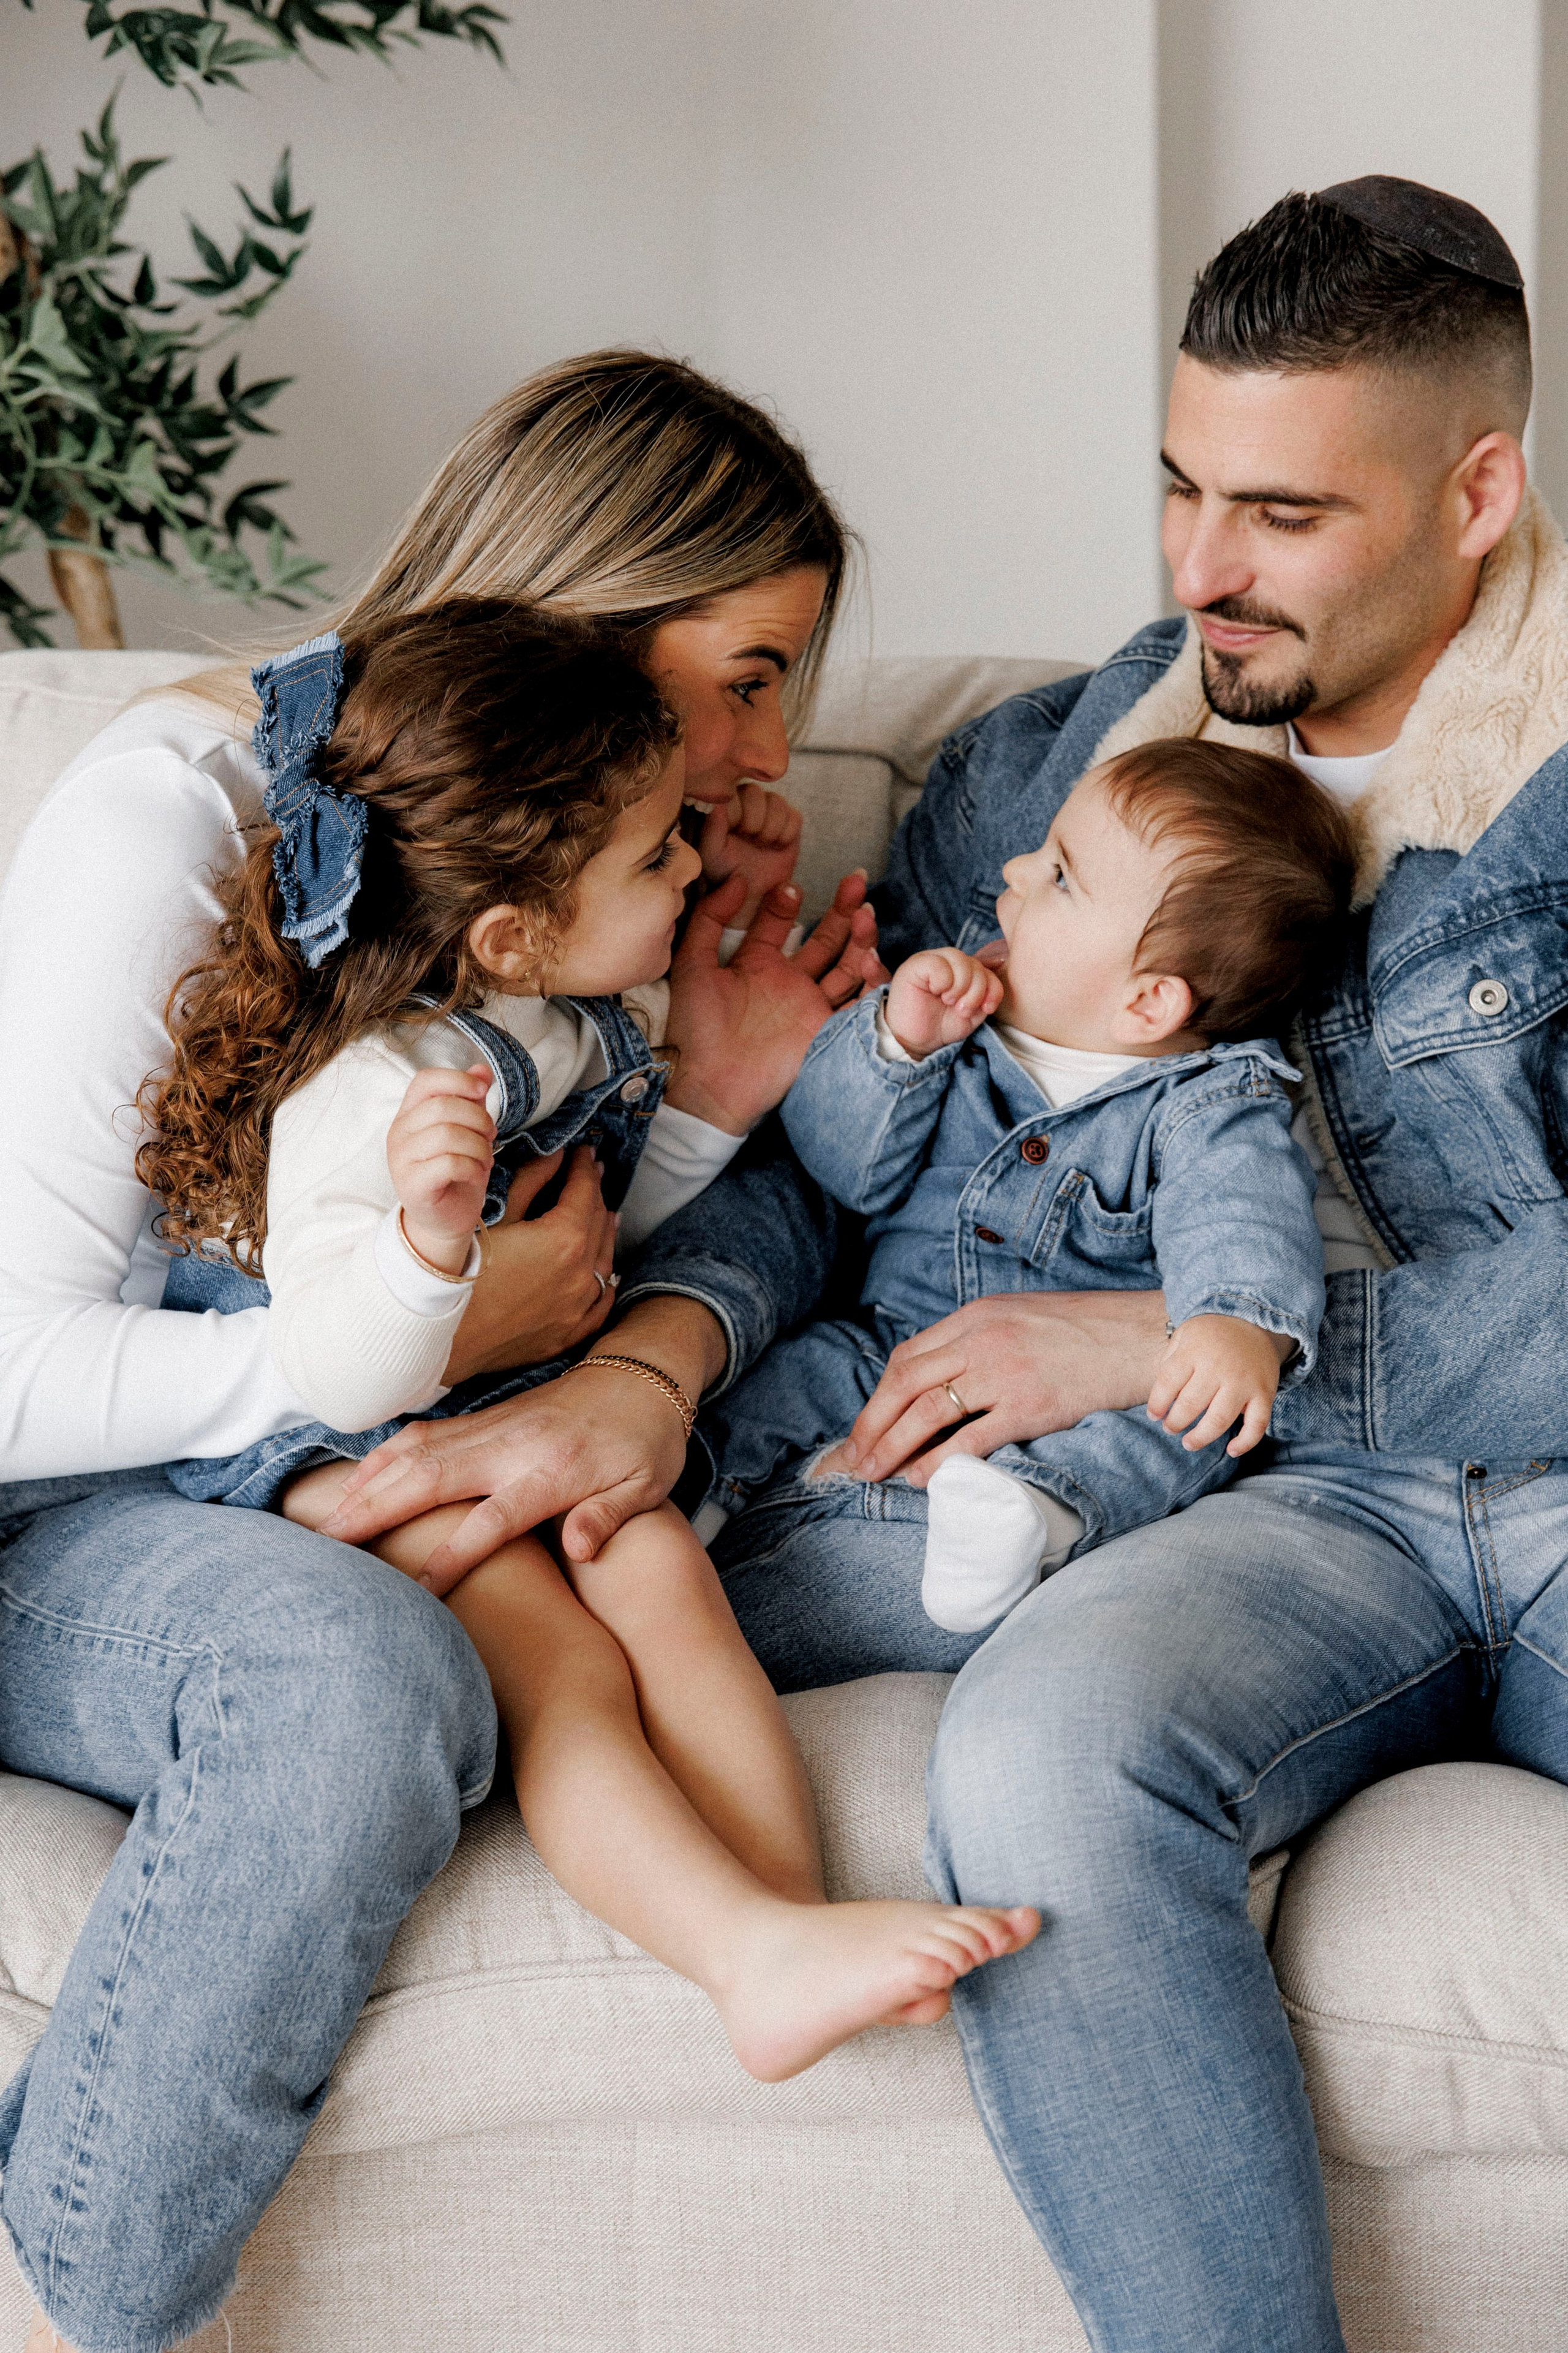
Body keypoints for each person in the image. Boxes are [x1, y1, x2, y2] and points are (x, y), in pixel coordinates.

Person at [325, 180, 1568, 2353]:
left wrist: (1164, 1339)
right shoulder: (1044, 768)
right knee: (1044, 1752)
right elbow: (846, 1161)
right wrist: (664, 1360)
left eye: (1281, 512)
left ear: (1480, 489)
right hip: (1259, 1528)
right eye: (1182, 488)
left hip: (1521, 1463)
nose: (1202, 570)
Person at [0, 352, 888, 2353]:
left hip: (371, 1432)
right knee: (352, 1677)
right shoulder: (186, 814)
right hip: (74, 1493)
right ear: (580, 604)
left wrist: (630, 1346)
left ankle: (759, 1917)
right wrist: (387, 1364)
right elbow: (16, 1373)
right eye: (740, 676)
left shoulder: (604, 890)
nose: (761, 761)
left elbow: (726, 1210)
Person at [143, 599, 1036, 2087]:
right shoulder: (379, 1095)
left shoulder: (559, 1002)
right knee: (560, 1658)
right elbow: (333, 1365)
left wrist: (694, 1105)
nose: (690, 861)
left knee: (660, 1567)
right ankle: (742, 1948)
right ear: (512, 924)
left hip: (504, 1383)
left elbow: (602, 1226)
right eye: (652, 857)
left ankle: (784, 1924)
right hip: (330, 1428)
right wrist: (429, 1252)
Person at [701, 738, 1352, 1635]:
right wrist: (897, 1046)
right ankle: (698, 1507)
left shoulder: (1209, 1099)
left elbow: (1244, 1213)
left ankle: (1036, 1514)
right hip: (891, 1343)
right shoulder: (959, 1014)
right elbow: (840, 1166)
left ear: (1149, 1004)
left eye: (1059, 876)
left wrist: (1237, 1321)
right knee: (780, 1379)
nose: (1013, 867)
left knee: (1184, 1429)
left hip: (1083, 1401)